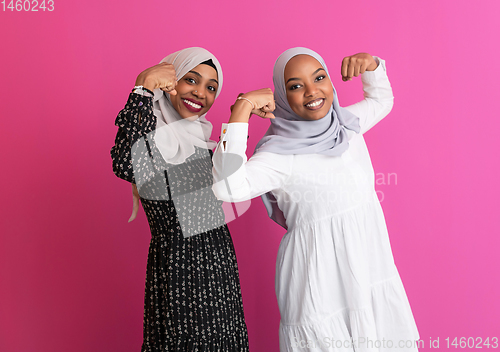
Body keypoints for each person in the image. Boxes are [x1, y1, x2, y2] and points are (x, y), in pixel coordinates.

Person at [212, 48, 419, 351]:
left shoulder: (346, 125)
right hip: (317, 284)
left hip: (368, 269)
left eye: (319, 77)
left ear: (331, 82)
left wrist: (372, 66)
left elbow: (381, 101)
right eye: (295, 86)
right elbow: (228, 188)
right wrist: (241, 109)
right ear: (283, 96)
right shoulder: (278, 155)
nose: (312, 91)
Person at [111, 47, 249, 352]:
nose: (200, 93)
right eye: (191, 80)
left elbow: (232, 185)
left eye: (211, 87)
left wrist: (243, 115)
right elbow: (126, 164)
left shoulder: (202, 141)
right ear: (170, 81)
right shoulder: (154, 133)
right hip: (181, 272)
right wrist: (143, 87)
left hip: (219, 269)